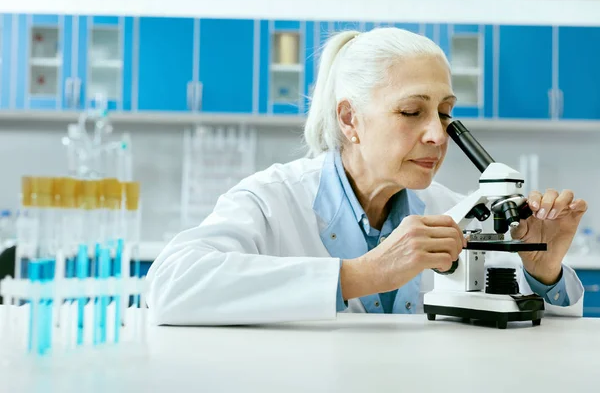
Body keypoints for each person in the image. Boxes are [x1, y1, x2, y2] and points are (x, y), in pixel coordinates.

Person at [146, 28, 586, 325]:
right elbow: (169, 286)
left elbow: (543, 333)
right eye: (412, 112)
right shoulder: (271, 200)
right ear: (349, 119)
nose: (437, 134)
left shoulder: (451, 211)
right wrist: (359, 274)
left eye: (446, 113)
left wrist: (543, 275)